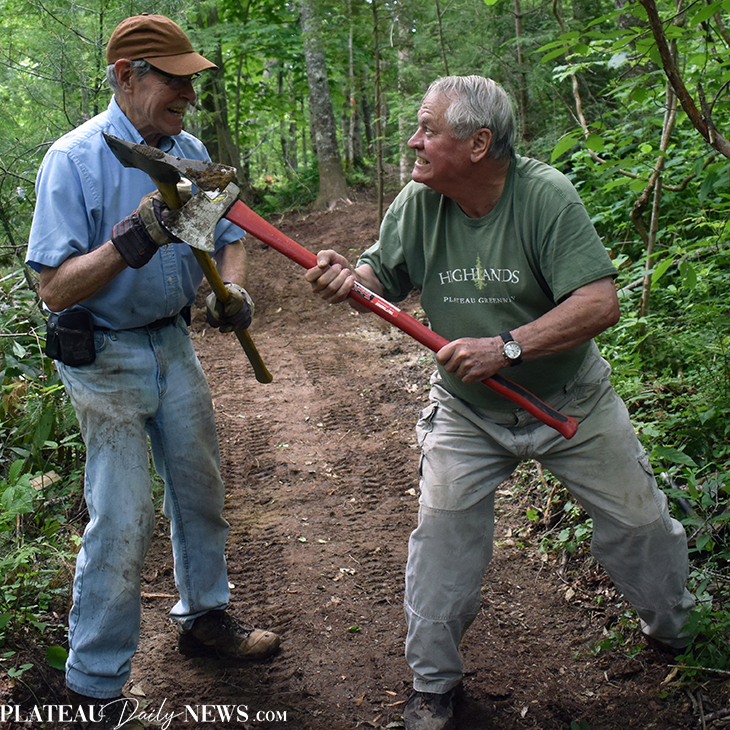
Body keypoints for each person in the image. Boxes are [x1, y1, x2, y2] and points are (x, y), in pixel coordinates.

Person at [305, 75, 694, 730]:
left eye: (428, 130)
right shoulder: (419, 200)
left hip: (571, 399)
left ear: (479, 143)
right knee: (444, 539)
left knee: (640, 527)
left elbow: (599, 302)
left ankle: (680, 639)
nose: (413, 141)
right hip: (467, 410)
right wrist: (350, 279)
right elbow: (380, 279)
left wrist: (506, 347)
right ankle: (433, 686)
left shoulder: (544, 196)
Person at [26, 14, 280, 729]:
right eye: (175, 80)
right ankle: (93, 685)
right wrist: (130, 241)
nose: (190, 96)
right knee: (123, 513)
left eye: (192, 82)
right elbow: (53, 288)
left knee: (200, 490)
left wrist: (233, 290)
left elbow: (227, 235)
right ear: (125, 76)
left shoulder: (188, 152)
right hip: (103, 354)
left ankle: (205, 618)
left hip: (173, 342)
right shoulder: (74, 160)